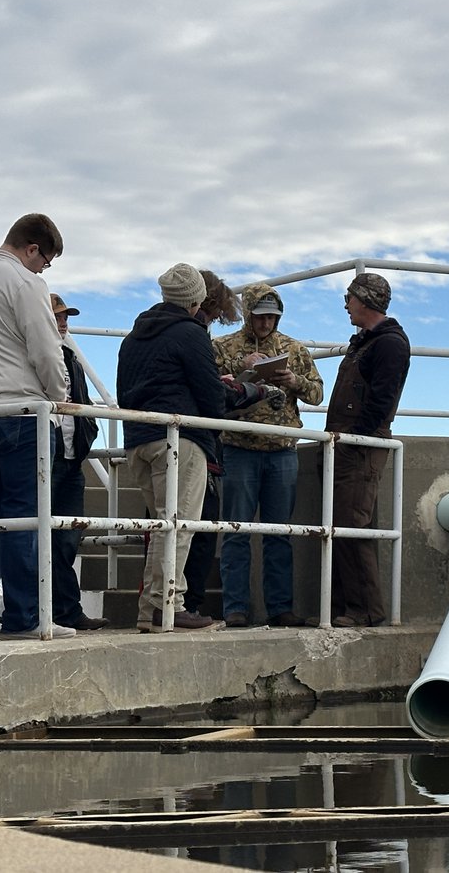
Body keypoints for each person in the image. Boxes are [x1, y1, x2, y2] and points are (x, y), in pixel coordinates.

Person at [0, 213, 73, 640]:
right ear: (32, 248)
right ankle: (24, 617)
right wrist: (59, 395)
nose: (43, 270)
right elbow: (46, 350)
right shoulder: (26, 283)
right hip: (21, 413)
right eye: (45, 261)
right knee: (24, 516)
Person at [116, 263, 226, 632]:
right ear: (197, 299)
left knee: (162, 526)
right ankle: (170, 605)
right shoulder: (190, 333)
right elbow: (212, 397)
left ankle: (151, 609)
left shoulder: (134, 336)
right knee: (177, 526)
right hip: (178, 440)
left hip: (138, 440)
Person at [213, 284, 324, 628]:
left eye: (272, 317)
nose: (266, 323)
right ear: (248, 314)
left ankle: (280, 607)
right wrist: (241, 365)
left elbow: (318, 394)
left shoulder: (294, 349)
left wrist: (295, 380)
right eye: (260, 316)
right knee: (236, 531)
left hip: (281, 452)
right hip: (239, 449)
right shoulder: (222, 346)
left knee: (280, 533)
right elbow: (209, 386)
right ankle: (235, 608)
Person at [323, 272, 410, 627]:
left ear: (365, 300)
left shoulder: (389, 344)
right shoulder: (366, 342)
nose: (346, 305)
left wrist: (354, 438)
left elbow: (381, 400)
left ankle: (365, 610)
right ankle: (343, 607)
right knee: (341, 528)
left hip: (360, 446)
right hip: (347, 444)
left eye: (350, 298)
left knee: (352, 526)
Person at [182, 269, 242, 616]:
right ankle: (185, 606)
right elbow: (209, 398)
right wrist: (234, 389)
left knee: (180, 529)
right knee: (198, 531)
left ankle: (172, 605)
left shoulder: (157, 332)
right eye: (217, 312)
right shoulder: (193, 334)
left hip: (182, 440)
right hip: (195, 444)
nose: (216, 319)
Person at [48, 293, 108, 631]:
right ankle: (47, 611)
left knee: (68, 539)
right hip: (47, 458)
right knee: (40, 536)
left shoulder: (71, 358)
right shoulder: (33, 354)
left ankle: (66, 611)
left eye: (65, 317)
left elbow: (83, 404)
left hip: (73, 460)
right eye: (57, 316)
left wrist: (88, 433)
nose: (63, 323)